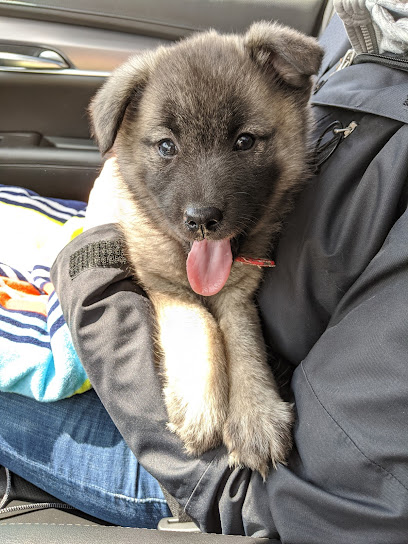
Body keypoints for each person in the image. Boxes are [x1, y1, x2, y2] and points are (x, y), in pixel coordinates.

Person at [2, 4, 408, 542]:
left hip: (231, 476)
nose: (200, 203)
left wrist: (94, 261)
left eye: (243, 143)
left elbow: (326, 502)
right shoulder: (368, 26)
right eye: (167, 147)